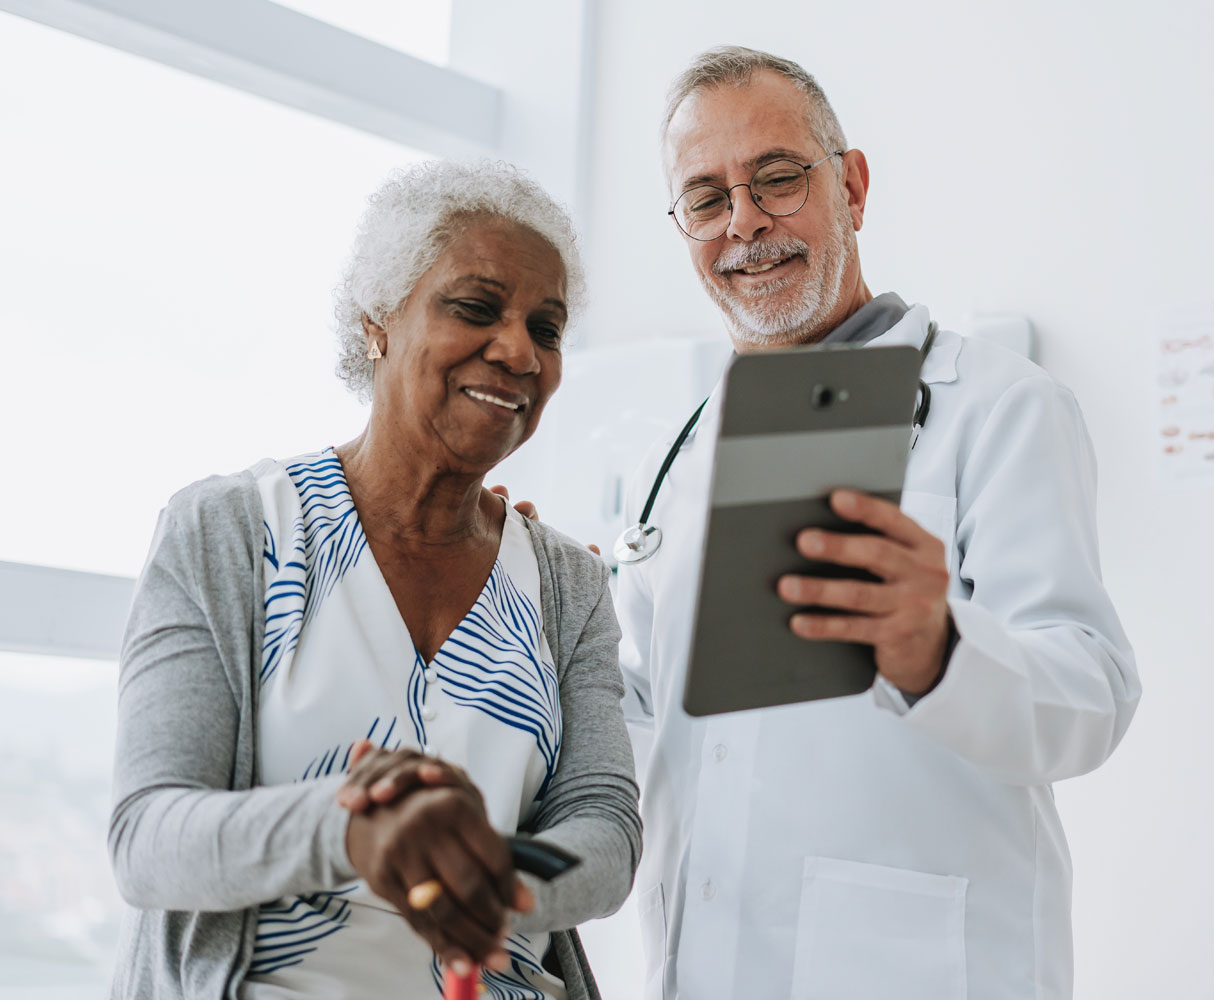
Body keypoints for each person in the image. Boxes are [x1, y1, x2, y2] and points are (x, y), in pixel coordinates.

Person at [614, 47, 1143, 999]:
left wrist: (938, 649)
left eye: (778, 178)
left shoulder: (1000, 407)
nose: (744, 223)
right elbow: (642, 719)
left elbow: (1092, 694)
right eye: (706, 198)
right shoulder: (679, 457)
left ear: (852, 188)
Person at [108, 160, 641, 1000]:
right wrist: (354, 831)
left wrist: (485, 876)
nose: (519, 351)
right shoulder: (232, 532)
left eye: (547, 328)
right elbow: (147, 838)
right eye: (475, 308)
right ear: (377, 324)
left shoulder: (566, 583)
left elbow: (606, 826)